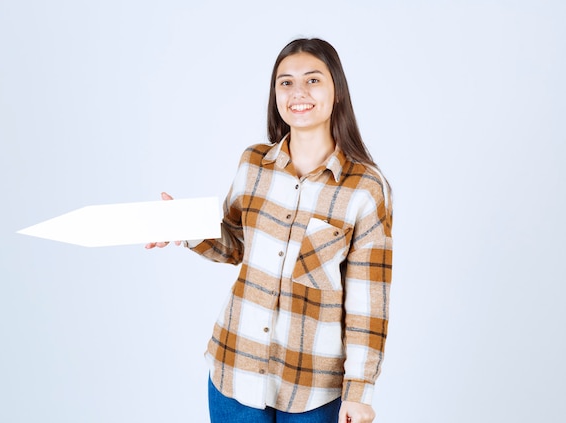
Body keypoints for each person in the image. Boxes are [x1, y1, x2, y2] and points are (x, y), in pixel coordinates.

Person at [146, 38, 393, 423]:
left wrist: (359, 392)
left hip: (314, 391)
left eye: (313, 80)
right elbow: (236, 243)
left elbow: (367, 303)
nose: (298, 93)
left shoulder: (364, 188)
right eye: (286, 82)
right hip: (234, 371)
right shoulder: (253, 164)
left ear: (337, 91)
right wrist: (185, 226)